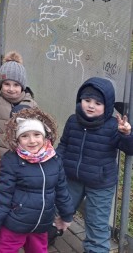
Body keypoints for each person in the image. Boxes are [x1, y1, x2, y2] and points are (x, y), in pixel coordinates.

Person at [56, 77, 133, 253]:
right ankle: (47, 236)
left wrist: (126, 134)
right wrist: (55, 163)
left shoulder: (113, 126)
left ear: (107, 105)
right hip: (72, 178)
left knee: (96, 223)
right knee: (59, 210)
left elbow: (130, 149)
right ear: (80, 100)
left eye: (98, 103)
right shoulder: (73, 121)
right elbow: (64, 145)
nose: (91, 106)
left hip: (100, 183)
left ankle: (96, 249)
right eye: (87, 100)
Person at [0, 107, 73, 252]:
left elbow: (62, 190)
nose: (32, 141)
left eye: (37, 134)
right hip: (14, 224)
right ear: (17, 139)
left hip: (41, 224)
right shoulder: (12, 161)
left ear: (45, 136)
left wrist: (66, 214)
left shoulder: (54, 160)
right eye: (25, 136)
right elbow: (3, 194)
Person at [0, 51, 37, 156]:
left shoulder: (30, 104)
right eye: (6, 84)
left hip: (20, 156)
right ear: (0, 85)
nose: (11, 89)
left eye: (16, 85)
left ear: (22, 87)